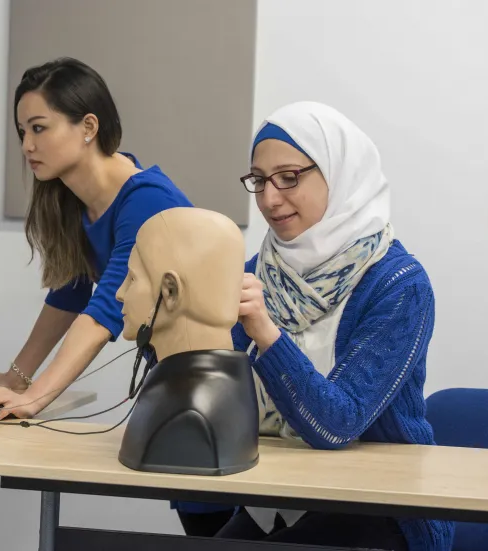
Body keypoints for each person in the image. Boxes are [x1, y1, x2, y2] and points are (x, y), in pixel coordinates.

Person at [177, 101, 453, 550]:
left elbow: (337, 425)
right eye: (259, 180)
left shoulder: (400, 286)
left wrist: (267, 333)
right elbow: (210, 396)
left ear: (340, 174)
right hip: (278, 497)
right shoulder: (256, 273)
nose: (270, 199)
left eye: (289, 177)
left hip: (380, 507)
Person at [0, 57, 192, 421]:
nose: (27, 146)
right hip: (174, 372)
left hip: (225, 367)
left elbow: (104, 313)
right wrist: (17, 379)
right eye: (23, 131)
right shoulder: (75, 202)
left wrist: (35, 398)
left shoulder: (146, 201)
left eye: (39, 128)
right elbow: (68, 296)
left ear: (88, 126)